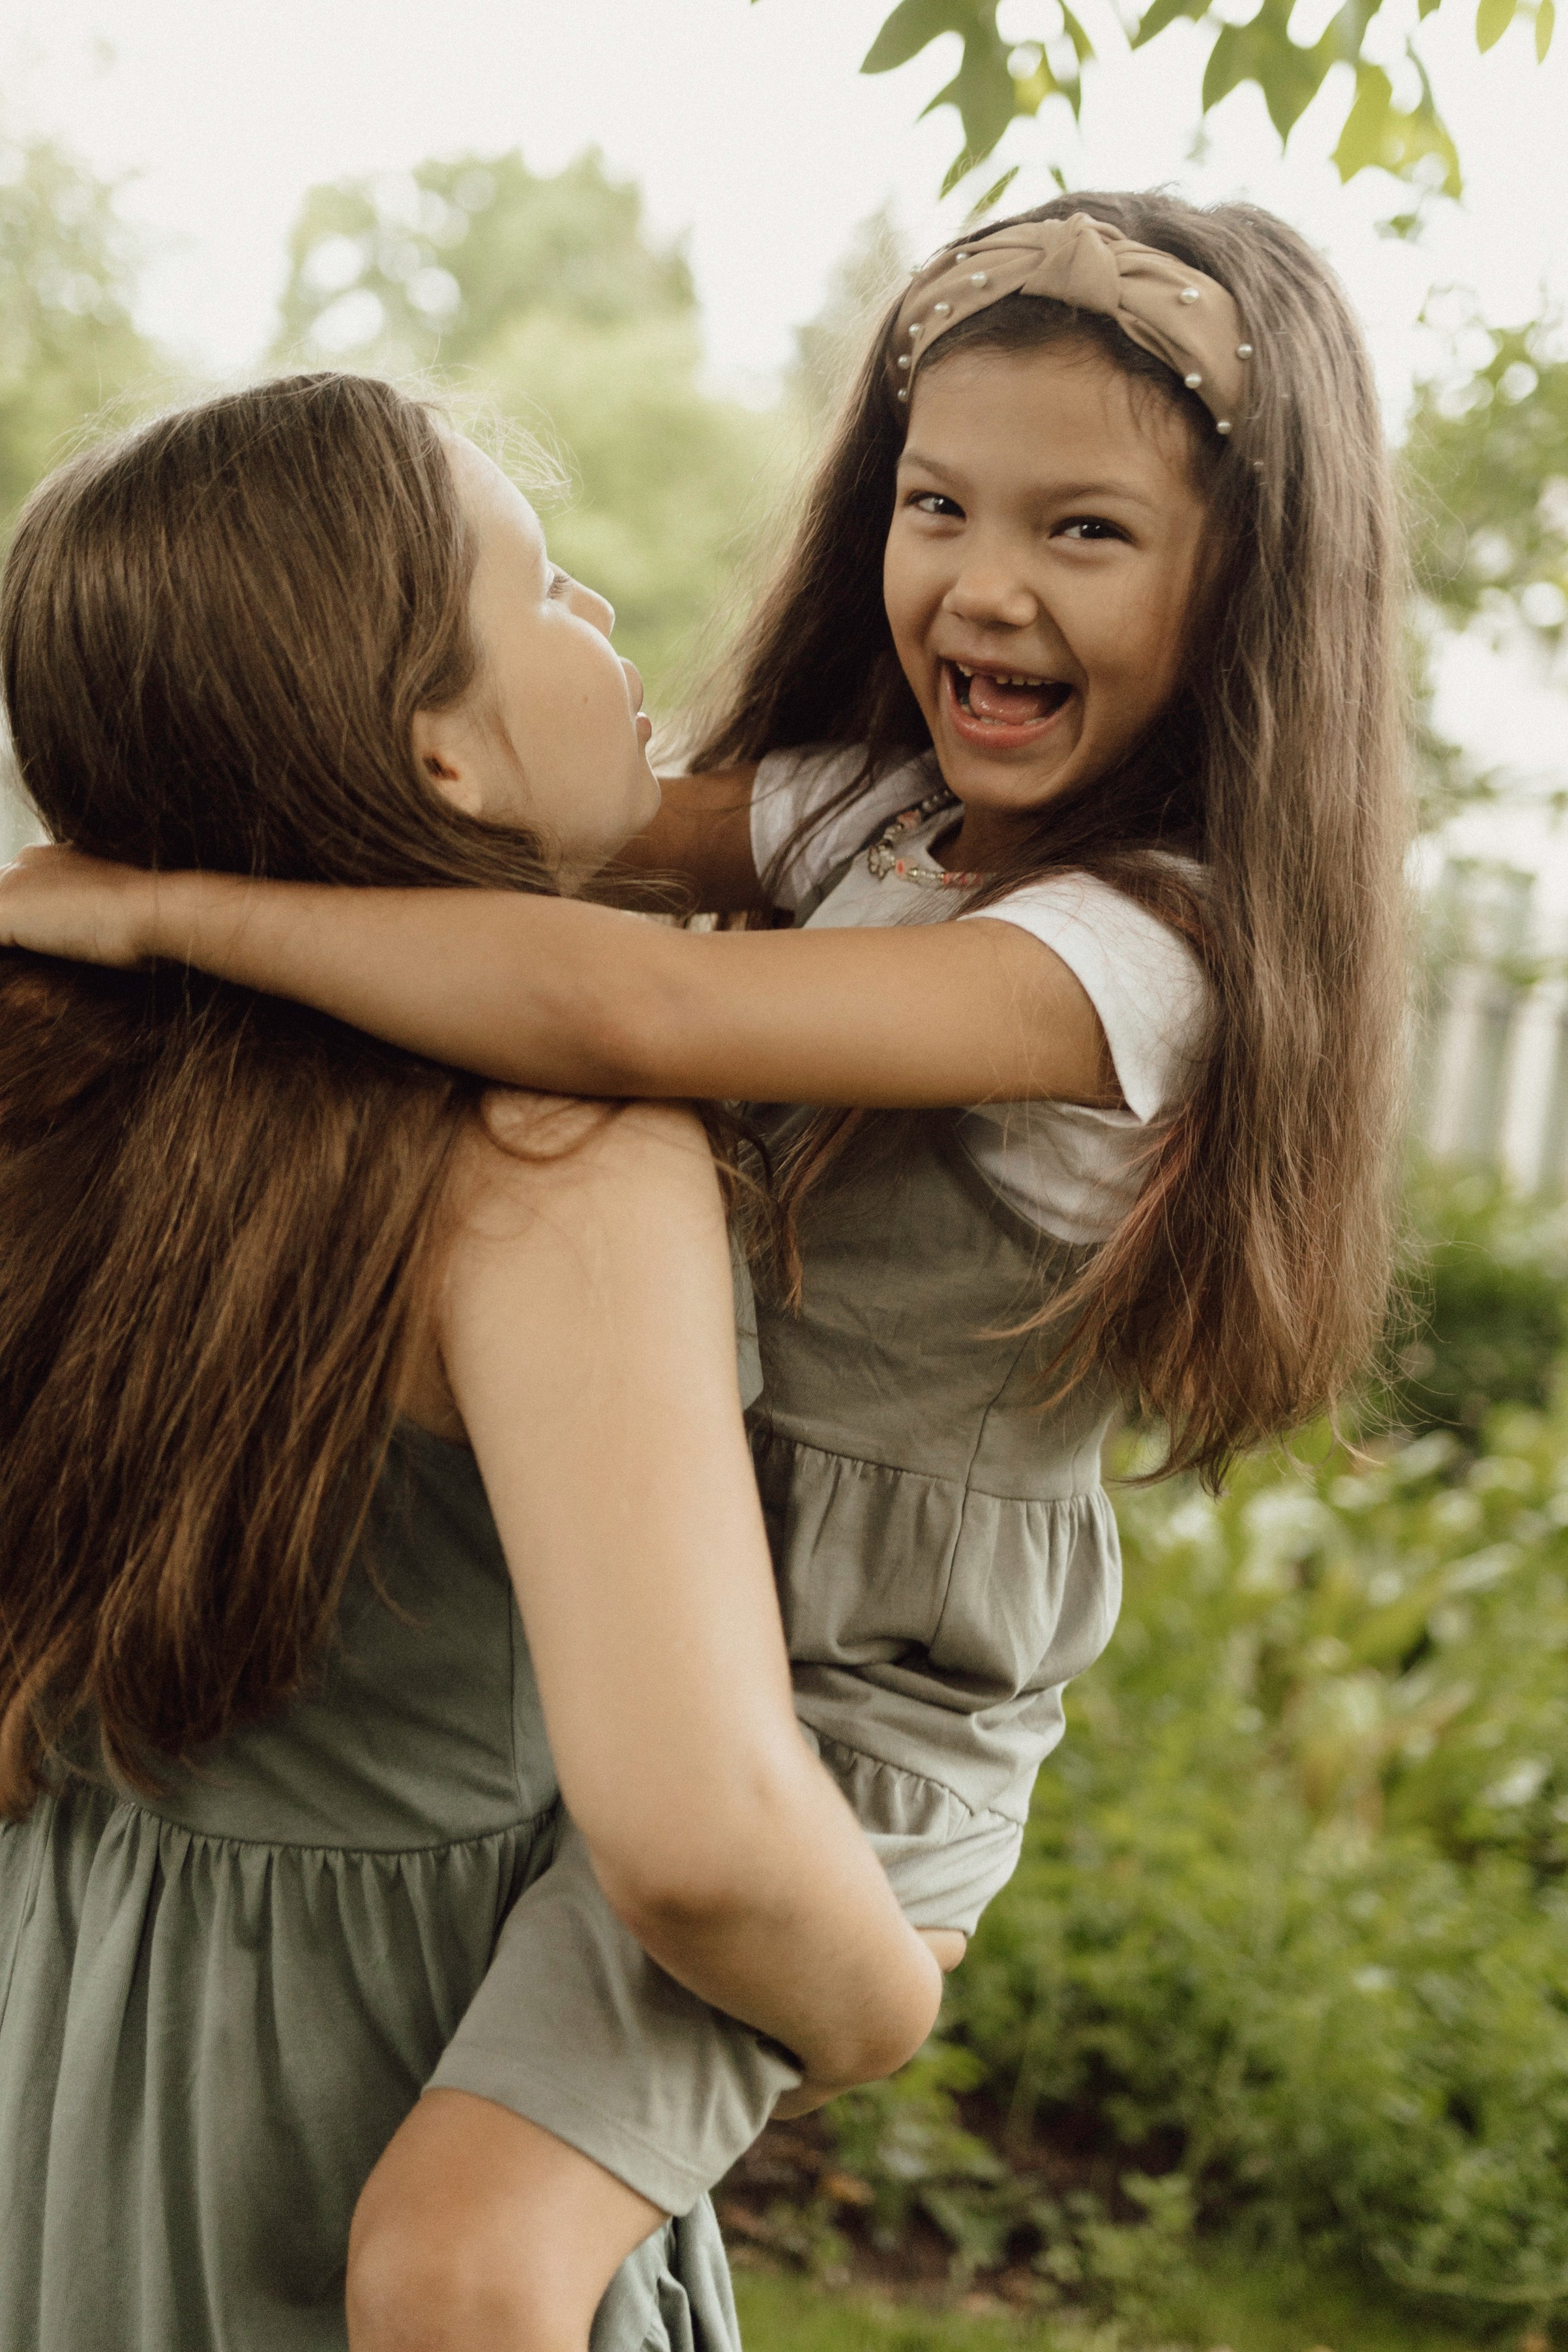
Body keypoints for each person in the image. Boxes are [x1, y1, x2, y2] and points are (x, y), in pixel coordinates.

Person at [0, 190, 1411, 2338]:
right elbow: (561, 834)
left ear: (1257, 589)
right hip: (711, 1653)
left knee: (467, 2261)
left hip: (859, 1701)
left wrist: (160, 909)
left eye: (1088, 531)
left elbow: (622, 998)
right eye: (937, 501)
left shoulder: (1139, 957)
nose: (985, 580)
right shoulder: (864, 829)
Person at [0, 373, 945, 2352]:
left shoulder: (51, 1095)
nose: (599, 615)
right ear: (438, 750)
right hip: (367, 2108)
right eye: (544, 586)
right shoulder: (547, 1160)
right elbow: (691, 1834)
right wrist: (877, 1995)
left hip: (52, 2051)